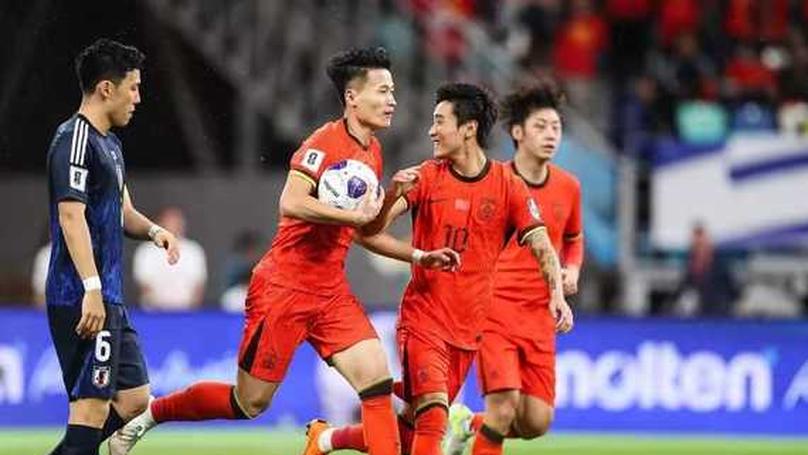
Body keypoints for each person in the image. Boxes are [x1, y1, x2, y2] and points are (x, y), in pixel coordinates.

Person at [111, 47, 457, 455]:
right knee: (249, 402)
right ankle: (152, 414)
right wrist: (347, 216)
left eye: (393, 91)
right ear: (351, 97)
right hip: (283, 289)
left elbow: (366, 227)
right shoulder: (324, 142)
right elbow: (290, 202)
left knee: (376, 382)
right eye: (382, 91)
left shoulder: (372, 152)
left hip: (330, 292)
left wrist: (403, 221)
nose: (392, 100)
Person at [305, 82, 573, 455]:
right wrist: (397, 205)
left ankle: (326, 438)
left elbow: (542, 243)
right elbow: (366, 233)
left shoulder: (507, 186)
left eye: (439, 121)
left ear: (469, 128)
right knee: (433, 417)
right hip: (423, 321)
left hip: (467, 330)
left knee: (412, 429)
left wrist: (556, 293)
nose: (431, 131)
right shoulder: (425, 178)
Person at [44, 38, 180, 455]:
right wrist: (90, 288)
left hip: (109, 297)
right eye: (133, 87)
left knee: (137, 402)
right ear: (107, 88)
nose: (138, 98)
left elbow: (123, 213)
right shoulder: (75, 140)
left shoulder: (111, 145)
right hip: (82, 296)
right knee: (90, 409)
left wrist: (156, 232)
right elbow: (71, 216)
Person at [444, 80, 584, 455]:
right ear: (517, 133)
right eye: (541, 126)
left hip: (541, 315)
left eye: (556, 127)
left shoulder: (569, 187)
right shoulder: (494, 181)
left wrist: (571, 270)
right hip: (495, 310)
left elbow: (573, 239)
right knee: (503, 406)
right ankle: (482, 425)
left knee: (536, 423)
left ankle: (466, 424)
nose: (551, 135)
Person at [132, 206, 207, 310]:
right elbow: (144, 286)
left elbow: (198, 287)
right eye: (169, 222)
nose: (173, 226)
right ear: (160, 224)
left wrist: (189, 312)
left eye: (177, 222)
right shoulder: (146, 251)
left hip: (187, 313)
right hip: (154, 314)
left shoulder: (194, 250)